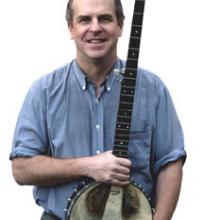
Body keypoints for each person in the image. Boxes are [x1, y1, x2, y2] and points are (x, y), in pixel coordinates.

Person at [10, 0, 187, 219]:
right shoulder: (43, 92)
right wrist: (88, 166)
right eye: (84, 19)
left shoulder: (152, 89)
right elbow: (21, 169)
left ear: (120, 26)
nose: (95, 28)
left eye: (105, 18)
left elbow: (170, 162)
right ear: (70, 28)